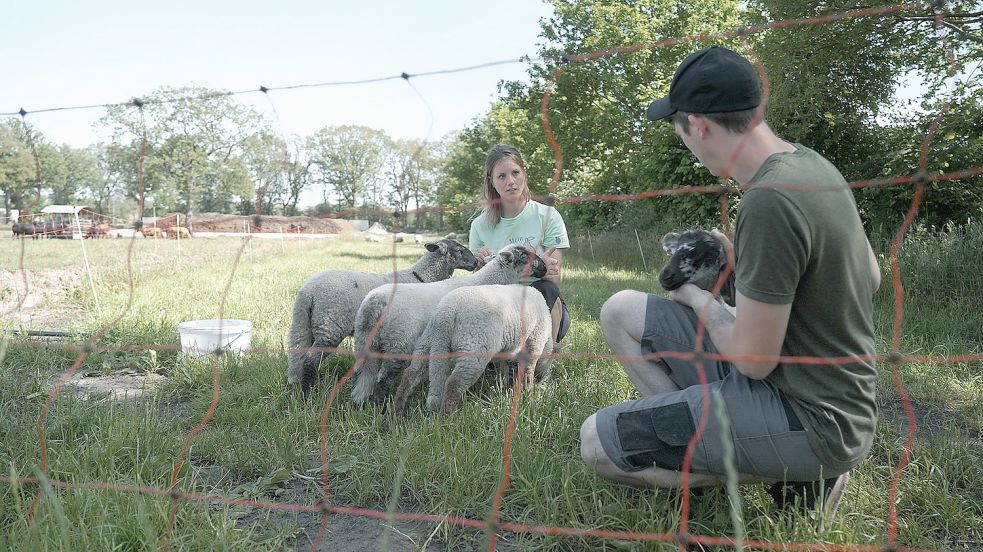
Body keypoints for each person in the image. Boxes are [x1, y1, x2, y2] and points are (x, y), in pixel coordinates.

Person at [579, 45, 881, 521]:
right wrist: (752, 268)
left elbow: (753, 361)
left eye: (678, 128)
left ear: (698, 125)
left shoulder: (769, 200)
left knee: (597, 442)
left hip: (811, 415)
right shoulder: (812, 165)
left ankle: (804, 476)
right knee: (620, 309)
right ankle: (708, 440)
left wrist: (698, 297)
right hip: (826, 391)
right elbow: (872, 276)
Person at [469, 143, 571, 349]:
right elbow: (478, 283)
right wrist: (480, 264)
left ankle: (543, 353)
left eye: (515, 173)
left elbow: (553, 279)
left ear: (524, 173)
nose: (511, 182)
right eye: (502, 176)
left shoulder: (548, 216)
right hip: (500, 308)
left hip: (542, 304)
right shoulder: (479, 225)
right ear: (492, 182)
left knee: (546, 288)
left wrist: (544, 268)